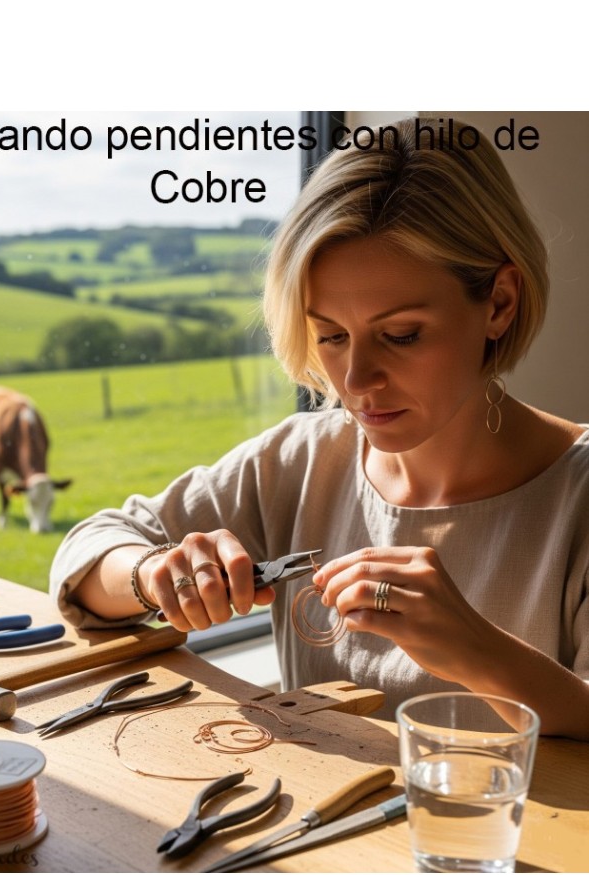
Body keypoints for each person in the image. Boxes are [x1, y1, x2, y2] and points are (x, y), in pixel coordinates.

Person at [50, 117, 589, 741]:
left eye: (401, 335)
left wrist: (479, 653)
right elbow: (88, 552)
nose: (356, 378)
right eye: (331, 335)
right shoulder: (301, 459)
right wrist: (152, 576)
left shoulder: (576, 498)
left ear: (499, 303)